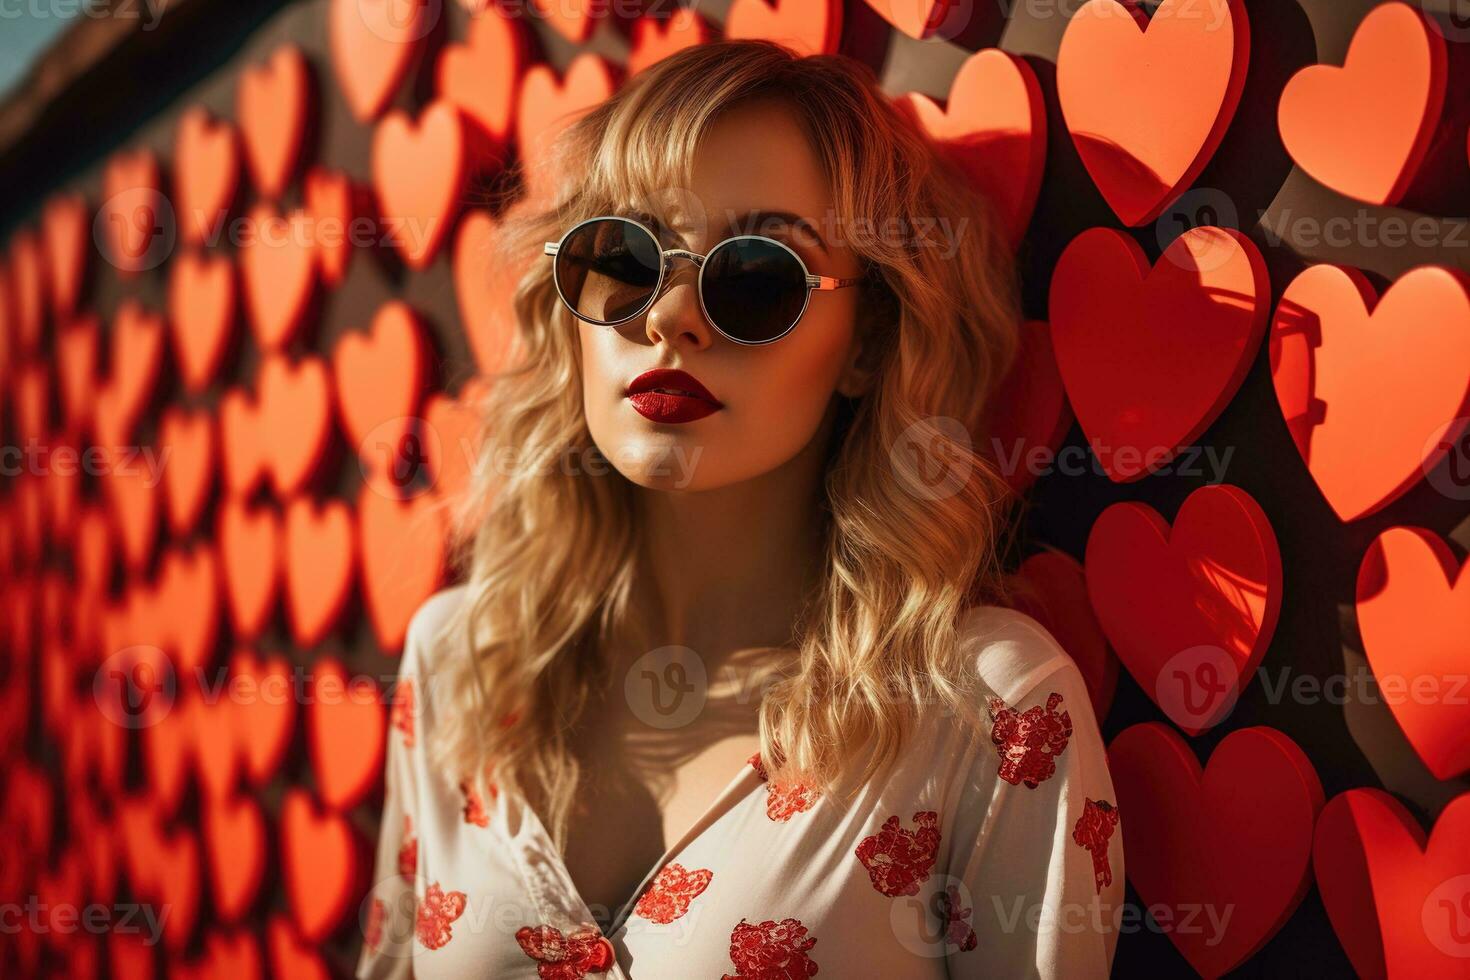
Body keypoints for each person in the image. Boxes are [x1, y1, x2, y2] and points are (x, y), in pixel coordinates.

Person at [356, 37, 1123, 980]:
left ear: (869, 344)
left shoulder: (990, 711)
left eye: (758, 277)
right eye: (625, 258)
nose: (670, 317)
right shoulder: (457, 665)